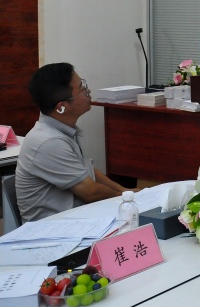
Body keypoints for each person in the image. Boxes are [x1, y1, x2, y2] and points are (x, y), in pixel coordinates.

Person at [16, 63, 132, 222]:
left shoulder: (62, 131)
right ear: (62, 107)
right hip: (54, 230)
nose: (88, 91)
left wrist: (125, 191)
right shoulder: (49, 142)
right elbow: (91, 192)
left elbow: (87, 171)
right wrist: (127, 198)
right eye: (82, 88)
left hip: (77, 219)